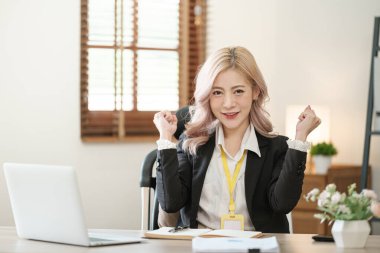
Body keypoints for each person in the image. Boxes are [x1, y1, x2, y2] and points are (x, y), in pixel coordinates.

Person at [153, 46, 321, 233]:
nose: (228, 103)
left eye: (238, 91)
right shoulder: (191, 144)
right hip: (201, 246)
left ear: (255, 92)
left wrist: (300, 139)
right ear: (207, 96)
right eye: (217, 92)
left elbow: (282, 204)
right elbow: (170, 203)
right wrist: (166, 137)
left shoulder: (277, 147)